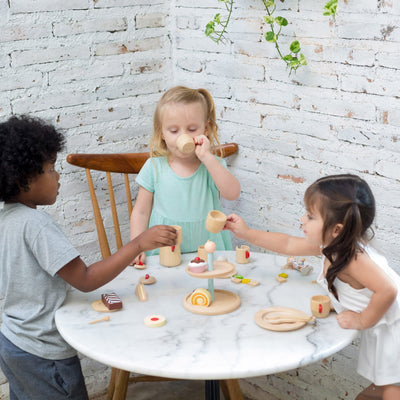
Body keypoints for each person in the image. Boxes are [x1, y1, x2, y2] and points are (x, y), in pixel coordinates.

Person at [0, 115, 177, 400]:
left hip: (12, 340)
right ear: (23, 179)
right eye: (50, 169)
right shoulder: (36, 225)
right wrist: (138, 243)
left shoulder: (6, 219)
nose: (57, 176)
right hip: (43, 350)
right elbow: (85, 279)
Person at [225, 174, 400, 400]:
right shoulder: (334, 244)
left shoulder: (353, 258)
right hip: (387, 329)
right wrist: (246, 233)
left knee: (391, 390)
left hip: (396, 331)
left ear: (336, 229)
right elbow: (287, 243)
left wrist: (362, 320)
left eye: (310, 216)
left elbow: (388, 290)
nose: (302, 220)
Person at [129, 85, 240, 264]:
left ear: (205, 129)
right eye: (174, 131)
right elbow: (140, 212)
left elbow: (232, 193)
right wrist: (136, 247)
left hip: (208, 249)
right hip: (163, 251)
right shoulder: (154, 166)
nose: (184, 137)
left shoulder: (211, 165)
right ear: (162, 133)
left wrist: (208, 158)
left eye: (192, 129)